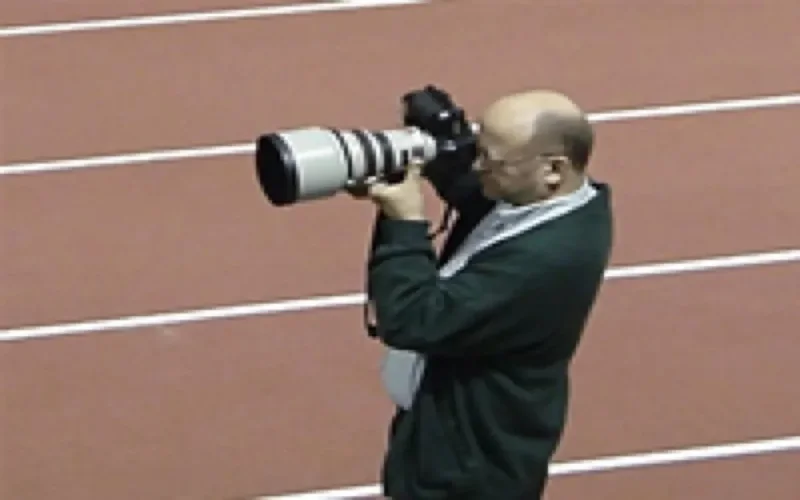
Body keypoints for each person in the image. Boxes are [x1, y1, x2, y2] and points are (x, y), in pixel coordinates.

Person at [357, 89, 614, 499]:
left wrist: (403, 221)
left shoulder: (546, 260)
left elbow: (412, 317)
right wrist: (435, 147)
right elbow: (477, 196)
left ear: (553, 169)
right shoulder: (549, 200)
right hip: (447, 433)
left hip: (472, 465)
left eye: (490, 160)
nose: (478, 168)